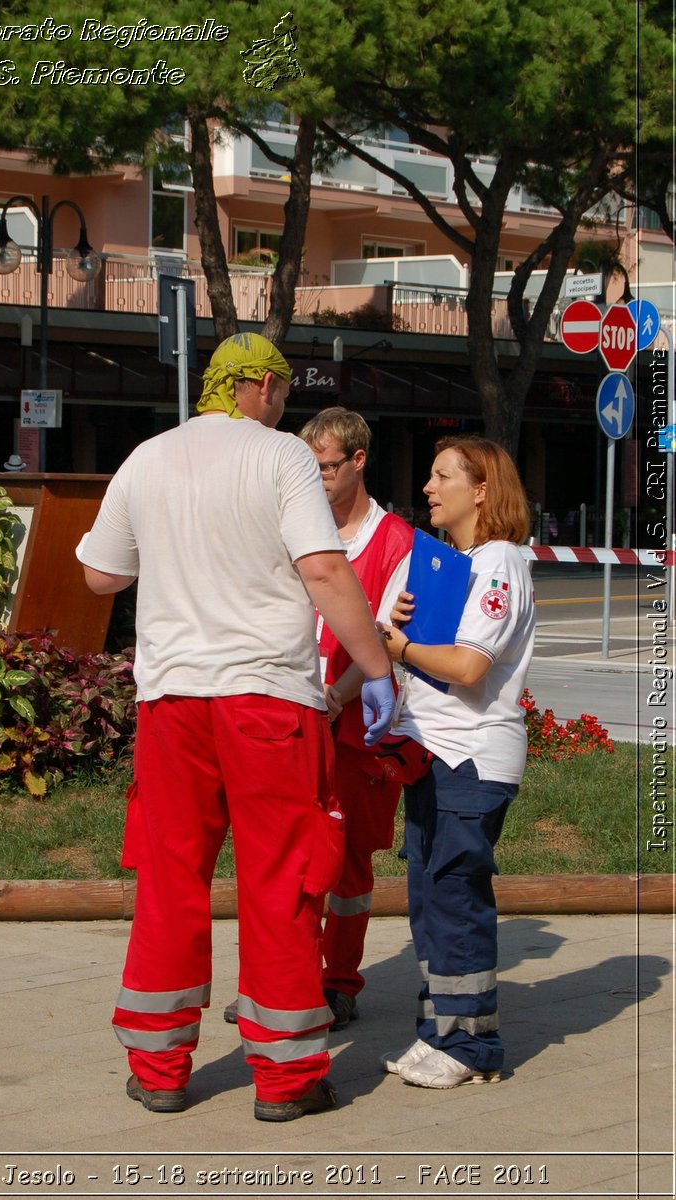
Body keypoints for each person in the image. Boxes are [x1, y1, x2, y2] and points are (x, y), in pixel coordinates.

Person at [77, 333, 395, 1122]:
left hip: (172, 701)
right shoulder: (281, 457)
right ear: (256, 386)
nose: (283, 404)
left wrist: (181, 549)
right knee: (282, 878)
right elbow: (322, 568)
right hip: (268, 702)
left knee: (170, 878)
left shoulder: (147, 456)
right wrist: (378, 671)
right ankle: (286, 1080)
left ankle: (158, 1068)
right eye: (281, 390)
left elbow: (100, 573)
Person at [377, 435, 535, 1089]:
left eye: (442, 476)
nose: (428, 488)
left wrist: (404, 648)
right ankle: (443, 1030)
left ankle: (472, 1046)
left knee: (455, 897)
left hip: (469, 759)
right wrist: (407, 630)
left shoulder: (498, 562)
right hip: (438, 753)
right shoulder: (461, 561)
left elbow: (470, 668)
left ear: (482, 491)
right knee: (431, 899)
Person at [299, 407, 415, 1029]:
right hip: (294, 718)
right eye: (309, 466)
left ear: (359, 461)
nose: (315, 478)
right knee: (287, 856)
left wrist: (340, 694)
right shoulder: (295, 522)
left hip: (352, 728)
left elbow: (386, 635)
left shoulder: (396, 540)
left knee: (348, 863)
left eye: (326, 467)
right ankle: (284, 979)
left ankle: (338, 981)